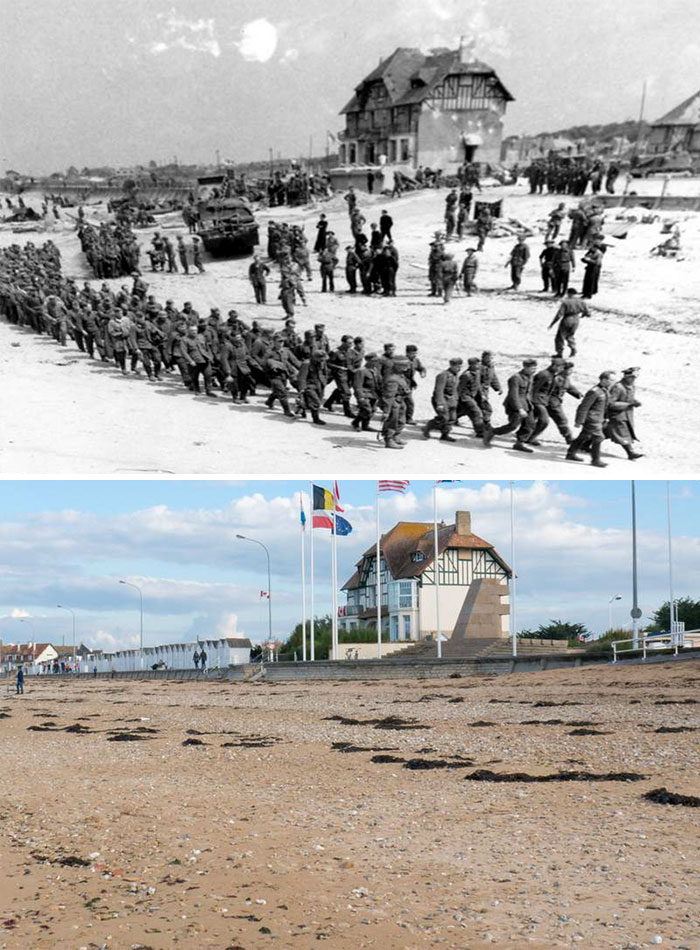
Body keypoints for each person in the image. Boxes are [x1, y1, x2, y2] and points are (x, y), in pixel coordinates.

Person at [484, 359, 537, 452]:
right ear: (525, 367)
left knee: (530, 424)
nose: (534, 370)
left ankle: (519, 443)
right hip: (514, 405)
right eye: (532, 368)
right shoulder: (515, 378)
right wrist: (520, 409)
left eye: (535, 368)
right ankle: (492, 432)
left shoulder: (530, 377)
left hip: (527, 404)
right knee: (513, 425)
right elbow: (514, 395)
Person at [567, 371, 615, 468]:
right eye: (611, 380)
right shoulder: (594, 392)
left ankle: (570, 454)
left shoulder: (605, 390)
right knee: (599, 437)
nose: (613, 382)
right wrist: (579, 421)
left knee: (584, 436)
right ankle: (595, 460)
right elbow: (583, 407)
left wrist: (605, 417)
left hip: (598, 418)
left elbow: (604, 406)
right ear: (604, 380)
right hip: (592, 419)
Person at [606, 367, 644, 460]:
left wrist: (636, 402)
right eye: (631, 377)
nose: (633, 380)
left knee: (605, 432)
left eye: (634, 378)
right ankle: (631, 453)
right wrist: (629, 404)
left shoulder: (632, 387)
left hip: (627, 415)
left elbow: (629, 398)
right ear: (626, 377)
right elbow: (611, 404)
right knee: (623, 433)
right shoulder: (618, 387)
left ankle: (584, 443)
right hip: (617, 415)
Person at [423, 358, 462, 442]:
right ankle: (428, 427)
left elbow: (455, 390)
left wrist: (456, 400)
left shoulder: (456, 376)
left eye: (460, 367)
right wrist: (439, 403)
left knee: (452, 418)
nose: (459, 369)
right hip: (442, 399)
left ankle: (445, 434)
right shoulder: (443, 375)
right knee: (444, 418)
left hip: (451, 400)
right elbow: (439, 390)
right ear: (451, 366)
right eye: (457, 367)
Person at [549, 289, 590, 358]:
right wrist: (582, 314)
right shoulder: (581, 301)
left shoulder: (566, 302)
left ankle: (560, 353)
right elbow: (587, 313)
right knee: (570, 335)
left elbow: (559, 314)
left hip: (567, 319)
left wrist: (552, 323)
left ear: (568, 293)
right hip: (576, 319)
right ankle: (573, 348)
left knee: (560, 337)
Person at [381, 358, 410, 449]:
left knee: (401, 420)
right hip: (393, 403)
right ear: (397, 366)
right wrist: (386, 411)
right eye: (403, 366)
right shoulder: (392, 379)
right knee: (392, 421)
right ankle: (389, 440)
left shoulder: (400, 376)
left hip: (400, 400)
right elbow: (388, 396)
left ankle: (395, 436)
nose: (406, 367)